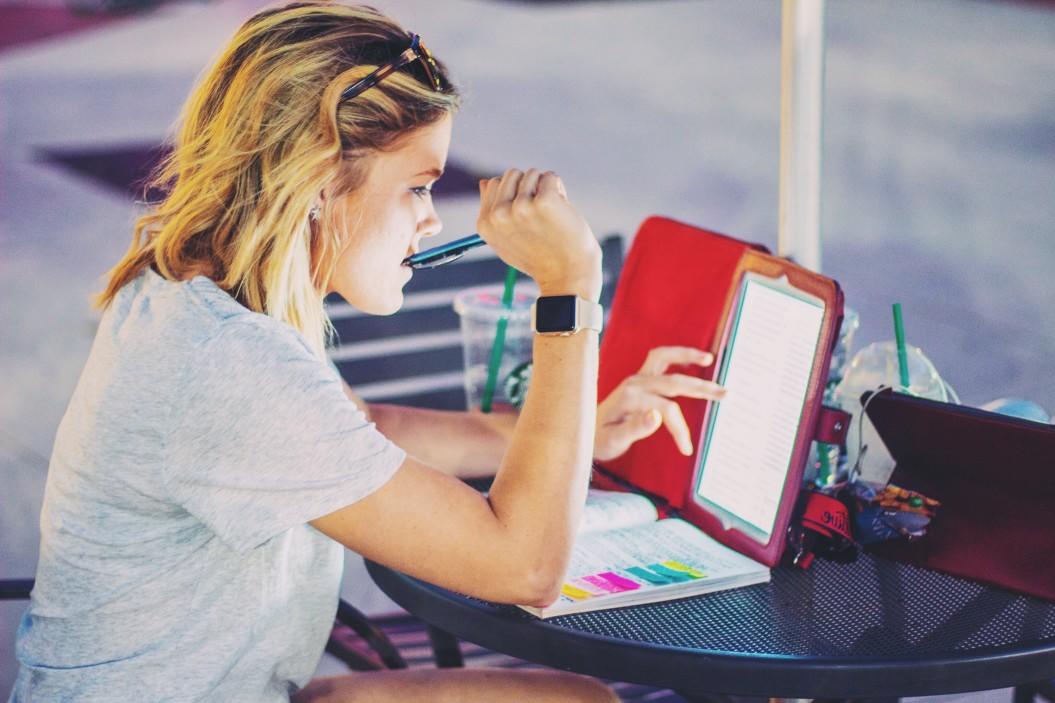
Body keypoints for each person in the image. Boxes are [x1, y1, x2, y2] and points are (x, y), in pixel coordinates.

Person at [9, 3, 724, 701]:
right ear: (319, 177)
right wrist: (568, 291)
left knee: (570, 697)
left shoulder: (201, 292)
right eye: (416, 186)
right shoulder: (232, 365)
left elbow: (365, 430)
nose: (429, 219)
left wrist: (578, 431)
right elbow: (525, 566)